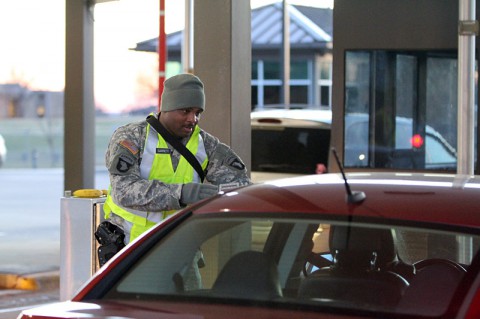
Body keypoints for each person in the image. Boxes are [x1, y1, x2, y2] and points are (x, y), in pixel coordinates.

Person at [103, 73, 251, 245]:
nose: (192, 119)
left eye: (198, 112)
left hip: (181, 247)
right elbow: (124, 190)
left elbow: (241, 186)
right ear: (166, 108)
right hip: (133, 247)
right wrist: (183, 193)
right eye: (185, 111)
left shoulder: (206, 144)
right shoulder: (132, 137)